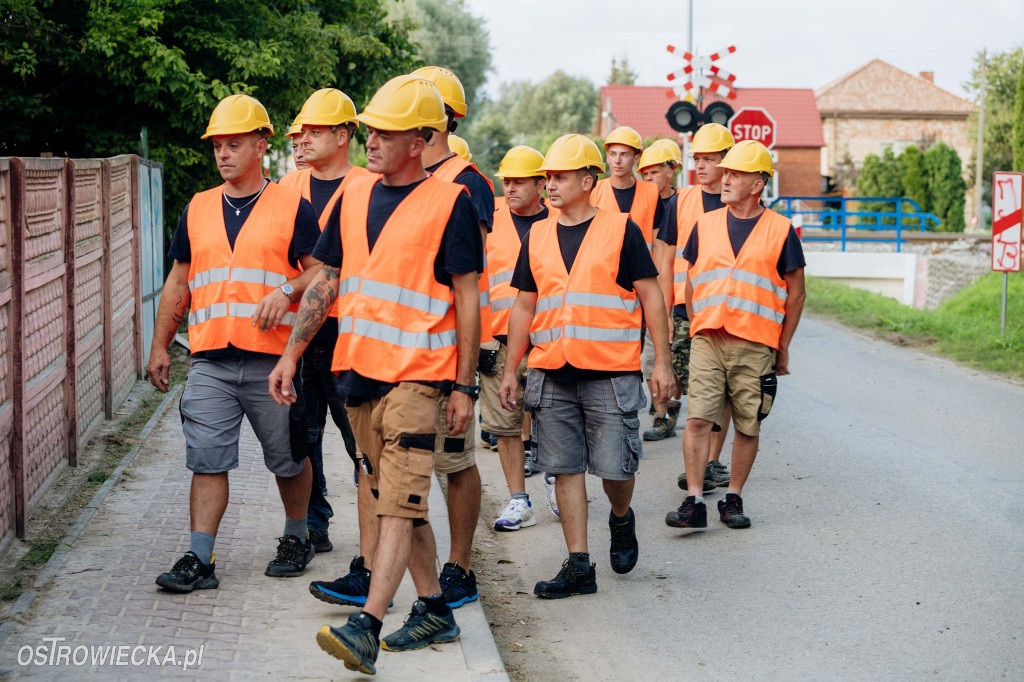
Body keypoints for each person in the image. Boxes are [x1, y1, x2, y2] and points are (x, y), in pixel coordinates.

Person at [267, 74, 482, 675]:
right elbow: (328, 279)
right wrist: (290, 354)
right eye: (370, 132)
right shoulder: (355, 197)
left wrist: (464, 385)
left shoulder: (452, 204)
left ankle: (368, 623)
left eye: (385, 134)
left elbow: (469, 300)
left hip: (419, 378)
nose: (373, 143)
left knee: (397, 504)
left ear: (419, 141)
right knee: (394, 498)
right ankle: (435, 607)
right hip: (356, 375)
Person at [148, 94, 322, 592]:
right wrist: (161, 346)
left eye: (234, 144)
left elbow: (323, 271)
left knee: (289, 457)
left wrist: (286, 289)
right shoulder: (199, 208)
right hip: (209, 361)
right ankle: (199, 558)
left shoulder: (293, 206)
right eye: (218, 146)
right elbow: (179, 281)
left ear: (261, 145)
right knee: (206, 457)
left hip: (274, 363)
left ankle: (296, 535)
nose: (223, 154)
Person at [498, 134, 673, 599]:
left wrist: (663, 362)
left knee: (616, 468)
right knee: (563, 467)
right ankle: (579, 564)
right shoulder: (537, 234)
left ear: (587, 180)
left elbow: (650, 294)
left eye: (558, 177)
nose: (549, 185)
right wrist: (512, 367)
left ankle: (621, 518)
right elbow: (523, 306)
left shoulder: (621, 230)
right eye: (547, 178)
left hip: (610, 370)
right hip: (552, 371)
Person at [665, 140, 806, 531]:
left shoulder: (781, 230)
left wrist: (783, 346)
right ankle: (694, 500)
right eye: (724, 172)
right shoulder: (704, 225)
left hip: (756, 342)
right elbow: (691, 282)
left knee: (748, 424)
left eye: (734, 174)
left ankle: (733, 496)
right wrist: (697, 326)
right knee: (697, 420)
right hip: (708, 337)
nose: (725, 180)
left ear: (757, 184)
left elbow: (797, 293)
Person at [413, 65, 495, 609]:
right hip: (403, 347)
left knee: (455, 462)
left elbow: (468, 280)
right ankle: (382, 563)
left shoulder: (468, 183)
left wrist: (466, 373)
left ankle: (459, 566)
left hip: (448, 351)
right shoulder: (400, 178)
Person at [277, 88, 369, 554]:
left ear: (344, 134)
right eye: (302, 131)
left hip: (351, 334)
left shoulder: (370, 188)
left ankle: (373, 545)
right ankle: (314, 525)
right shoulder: (286, 190)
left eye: (315, 131)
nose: (304, 139)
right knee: (301, 434)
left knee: (361, 441)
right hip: (300, 332)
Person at [656, 123, 736, 491]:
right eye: (697, 159)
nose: (701, 166)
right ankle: (699, 457)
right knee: (691, 390)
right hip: (687, 312)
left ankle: (713, 461)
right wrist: (666, 314)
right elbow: (666, 261)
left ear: (727, 162)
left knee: (723, 392)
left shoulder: (740, 202)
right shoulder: (680, 202)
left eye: (709, 159)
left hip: (728, 311)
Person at [483, 146, 549, 532]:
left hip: (546, 339)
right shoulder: (488, 223)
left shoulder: (561, 223)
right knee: (506, 425)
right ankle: (518, 501)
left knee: (553, 420)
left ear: (541, 183)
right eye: (507, 181)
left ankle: (558, 482)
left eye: (520, 181)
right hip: (499, 340)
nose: (510, 188)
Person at [637, 143, 681, 442]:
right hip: (646, 289)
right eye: (646, 173)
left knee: (670, 359)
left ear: (671, 170)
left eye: (654, 172)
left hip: (678, 292)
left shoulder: (683, 204)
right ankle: (662, 413)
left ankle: (668, 412)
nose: (649, 178)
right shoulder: (645, 205)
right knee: (648, 360)